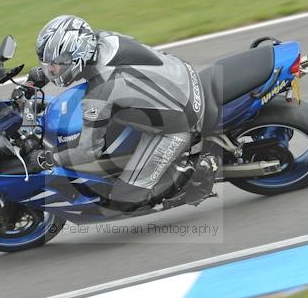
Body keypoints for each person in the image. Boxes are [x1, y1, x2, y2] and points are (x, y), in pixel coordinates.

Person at [25, 15, 216, 211]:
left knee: (123, 198)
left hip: (180, 122)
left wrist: (48, 159)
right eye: (48, 65)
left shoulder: (99, 94)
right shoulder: (103, 39)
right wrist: (38, 79)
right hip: (181, 74)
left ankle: (197, 172)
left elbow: (87, 152)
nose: (51, 69)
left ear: (76, 55)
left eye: (55, 64)